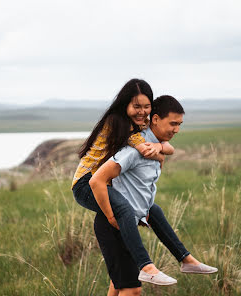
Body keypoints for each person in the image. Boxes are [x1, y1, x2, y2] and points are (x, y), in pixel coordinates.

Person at [90, 95, 218, 293]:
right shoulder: (135, 150)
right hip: (114, 225)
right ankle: (161, 264)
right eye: (173, 123)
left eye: (180, 124)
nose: (177, 129)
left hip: (128, 222)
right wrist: (111, 216)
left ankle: (186, 259)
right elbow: (98, 179)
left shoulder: (155, 148)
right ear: (155, 119)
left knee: (118, 286)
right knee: (132, 290)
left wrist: (160, 148)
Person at [72, 79, 177, 283]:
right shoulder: (117, 122)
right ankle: (146, 266)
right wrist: (158, 151)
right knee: (124, 210)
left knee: (152, 209)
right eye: (136, 106)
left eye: (147, 107)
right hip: (86, 184)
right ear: (125, 105)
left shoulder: (139, 124)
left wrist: (161, 148)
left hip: (105, 184)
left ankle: (185, 259)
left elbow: (167, 148)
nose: (142, 111)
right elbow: (145, 148)